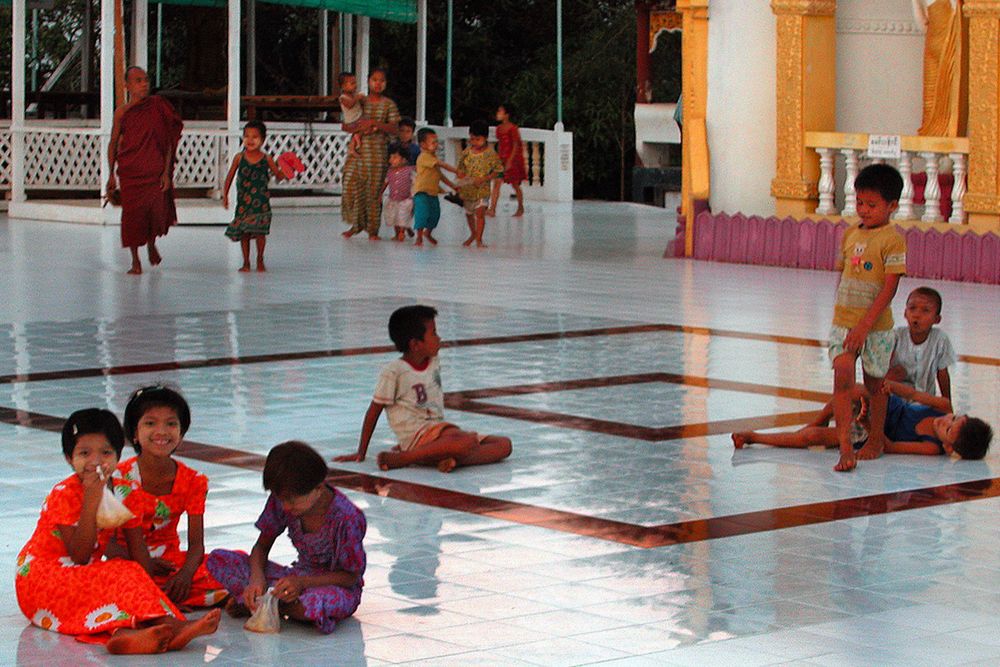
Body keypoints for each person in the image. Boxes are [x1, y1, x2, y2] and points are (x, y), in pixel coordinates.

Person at [15, 408, 220, 655]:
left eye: (106, 452)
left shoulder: (127, 491)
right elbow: (80, 556)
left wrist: (153, 597)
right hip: (43, 579)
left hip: (82, 575)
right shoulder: (64, 494)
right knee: (118, 570)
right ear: (69, 458)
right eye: (84, 453)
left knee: (128, 571)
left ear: (118, 455)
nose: (96, 461)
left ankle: (127, 636)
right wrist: (92, 498)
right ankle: (174, 627)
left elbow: (139, 555)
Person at [206, 441, 366, 634]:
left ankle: (267, 604)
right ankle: (267, 601)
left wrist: (302, 583)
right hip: (295, 578)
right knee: (219, 559)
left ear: (318, 488)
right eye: (281, 499)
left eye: (292, 500)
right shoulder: (282, 498)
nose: (285, 507)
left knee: (313, 604)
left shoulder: (347, 518)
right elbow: (261, 548)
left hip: (334, 587)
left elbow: (350, 576)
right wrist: (256, 580)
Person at [335, 305, 513, 472]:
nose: (439, 338)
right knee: (466, 442)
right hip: (417, 437)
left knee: (504, 445)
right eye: (434, 333)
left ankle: (450, 459)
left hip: (440, 431)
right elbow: (374, 410)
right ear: (415, 344)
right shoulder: (394, 372)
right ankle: (406, 458)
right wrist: (361, 452)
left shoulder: (433, 361)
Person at [112, 386, 227, 609]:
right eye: (150, 423)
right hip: (126, 562)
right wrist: (145, 563)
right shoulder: (118, 478)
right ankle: (158, 602)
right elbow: (106, 545)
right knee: (122, 581)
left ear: (181, 432)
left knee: (228, 565)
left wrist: (184, 575)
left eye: (171, 424)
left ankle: (161, 599)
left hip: (170, 563)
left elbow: (196, 546)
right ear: (134, 432)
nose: (162, 431)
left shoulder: (194, 481)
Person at [827, 163, 908, 472]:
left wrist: (864, 326)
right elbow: (842, 274)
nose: (864, 209)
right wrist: (842, 315)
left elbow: (889, 289)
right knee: (843, 374)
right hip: (843, 322)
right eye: (860, 202)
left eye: (872, 205)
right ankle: (845, 446)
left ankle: (876, 438)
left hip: (876, 328)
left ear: (892, 206)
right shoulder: (849, 234)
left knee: (875, 386)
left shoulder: (893, 240)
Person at [732, 380, 992, 460]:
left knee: (812, 439)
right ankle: (820, 419)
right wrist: (891, 386)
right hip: (889, 405)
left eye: (947, 429)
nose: (943, 421)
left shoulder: (930, 447)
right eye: (953, 418)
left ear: (948, 447)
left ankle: (754, 437)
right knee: (852, 389)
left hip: (875, 431)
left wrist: (869, 426)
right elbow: (913, 394)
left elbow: (889, 447)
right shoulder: (943, 406)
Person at [107, 66, 184, 275]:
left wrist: (166, 173)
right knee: (132, 216)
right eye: (138, 81)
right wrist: (110, 174)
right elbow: (113, 143)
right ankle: (135, 261)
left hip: (154, 170)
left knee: (153, 213)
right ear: (127, 86)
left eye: (146, 80)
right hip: (131, 171)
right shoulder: (122, 112)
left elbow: (168, 142)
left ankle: (151, 244)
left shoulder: (158, 107)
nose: (144, 84)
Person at [341, 69, 401, 240]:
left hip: (377, 151)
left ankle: (373, 229)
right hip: (358, 150)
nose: (378, 83)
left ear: (385, 83)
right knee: (351, 186)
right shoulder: (359, 101)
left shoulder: (388, 104)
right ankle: (356, 224)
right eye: (374, 80)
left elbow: (395, 128)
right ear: (368, 81)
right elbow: (345, 124)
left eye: (381, 80)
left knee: (374, 191)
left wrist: (375, 124)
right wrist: (359, 128)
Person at [222, 121, 285, 272]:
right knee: (244, 232)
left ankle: (260, 259)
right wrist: (225, 195)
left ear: (262, 140)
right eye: (246, 136)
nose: (250, 140)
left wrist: (286, 172)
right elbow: (229, 176)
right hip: (244, 202)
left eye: (255, 137)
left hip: (261, 203)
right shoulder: (239, 157)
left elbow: (278, 175)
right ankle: (246, 262)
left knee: (260, 233)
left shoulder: (266, 159)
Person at [887, 287, 956, 398]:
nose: (917, 315)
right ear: (905, 313)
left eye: (925, 310)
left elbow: (942, 375)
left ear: (937, 319)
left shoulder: (940, 339)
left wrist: (947, 404)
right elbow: (880, 371)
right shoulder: (895, 337)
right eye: (912, 308)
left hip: (924, 400)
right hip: (895, 400)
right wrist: (891, 376)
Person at [457, 120, 504, 248]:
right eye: (472, 139)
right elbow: (460, 168)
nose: (474, 142)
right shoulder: (466, 153)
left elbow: (498, 171)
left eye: (478, 139)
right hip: (468, 190)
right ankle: (473, 234)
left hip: (482, 190)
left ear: (485, 138)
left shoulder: (490, 154)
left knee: (480, 214)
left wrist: (485, 178)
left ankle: (479, 239)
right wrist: (460, 179)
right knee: (469, 214)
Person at [412, 128, 460, 247]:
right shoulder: (424, 157)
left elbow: (440, 176)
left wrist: (453, 186)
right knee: (422, 214)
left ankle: (427, 233)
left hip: (433, 193)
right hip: (421, 192)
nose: (436, 145)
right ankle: (419, 237)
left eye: (436, 142)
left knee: (435, 215)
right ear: (423, 145)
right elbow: (441, 165)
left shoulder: (432, 158)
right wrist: (456, 171)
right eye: (433, 142)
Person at [488, 103, 526, 218]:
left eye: (500, 112)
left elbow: (515, 145)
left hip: (512, 160)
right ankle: (492, 209)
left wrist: (510, 160)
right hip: (501, 159)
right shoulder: (499, 129)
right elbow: (500, 145)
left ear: (507, 115)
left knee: (515, 184)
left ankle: (520, 207)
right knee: (496, 184)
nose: (498, 114)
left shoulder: (513, 129)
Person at [381, 146, 415, 242]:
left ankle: (402, 232)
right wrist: (380, 194)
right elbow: (385, 183)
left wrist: (414, 196)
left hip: (406, 199)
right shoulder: (389, 172)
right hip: (393, 199)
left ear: (404, 160)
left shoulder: (409, 170)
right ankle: (398, 232)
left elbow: (415, 182)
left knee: (403, 216)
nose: (391, 160)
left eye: (395, 157)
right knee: (394, 216)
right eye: (390, 157)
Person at [337, 72, 366, 159]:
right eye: (352, 83)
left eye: (355, 83)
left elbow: (363, 105)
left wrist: (363, 99)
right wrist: (357, 98)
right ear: (343, 86)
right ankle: (356, 139)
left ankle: (352, 148)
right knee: (366, 124)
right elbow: (349, 105)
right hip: (352, 121)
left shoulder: (354, 96)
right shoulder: (343, 97)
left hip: (359, 118)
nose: (355, 85)